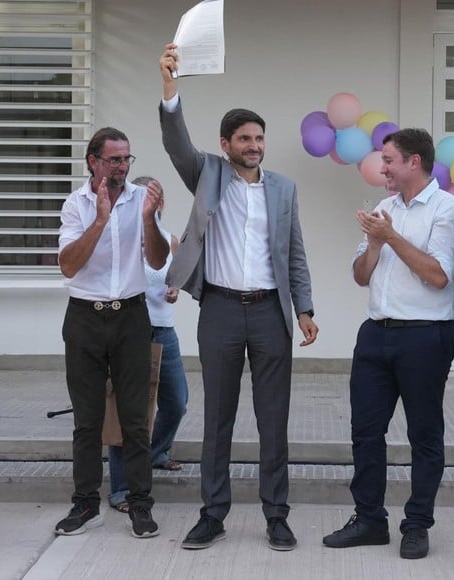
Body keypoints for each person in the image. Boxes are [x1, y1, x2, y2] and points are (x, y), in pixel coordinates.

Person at [158, 43, 319, 552]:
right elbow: (175, 141)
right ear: (225, 143)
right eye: (244, 138)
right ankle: (212, 514)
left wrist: (306, 307)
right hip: (221, 309)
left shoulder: (284, 189)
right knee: (218, 419)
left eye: (259, 138)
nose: (254, 145)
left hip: (272, 312)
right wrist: (170, 88)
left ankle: (277, 515)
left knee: (274, 420)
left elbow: (294, 252)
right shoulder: (207, 173)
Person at [322, 129, 454, 560]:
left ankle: (417, 524)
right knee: (365, 431)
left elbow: (439, 275)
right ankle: (369, 519)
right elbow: (361, 275)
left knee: (425, 435)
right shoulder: (384, 209)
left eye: (388, 160)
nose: (381, 168)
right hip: (375, 333)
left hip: (425, 335)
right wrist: (372, 242)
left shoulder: (447, 209)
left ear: (414, 163)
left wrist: (391, 238)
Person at [55, 127, 169, 539]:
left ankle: (140, 504)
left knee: (136, 419)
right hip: (85, 316)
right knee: (87, 420)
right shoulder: (75, 204)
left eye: (126, 159)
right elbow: (69, 265)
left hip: (131, 316)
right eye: (114, 160)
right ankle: (85, 504)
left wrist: (149, 221)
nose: (122, 167)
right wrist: (101, 220)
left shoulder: (142, 200)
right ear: (93, 162)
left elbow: (157, 260)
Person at [107, 176, 190, 513]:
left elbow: (177, 277)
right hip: (130, 332)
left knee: (177, 401)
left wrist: (175, 291)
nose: (152, 202)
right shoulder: (120, 236)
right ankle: (121, 488)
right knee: (126, 411)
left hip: (163, 330)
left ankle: (155, 453)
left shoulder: (169, 239)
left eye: (157, 196)